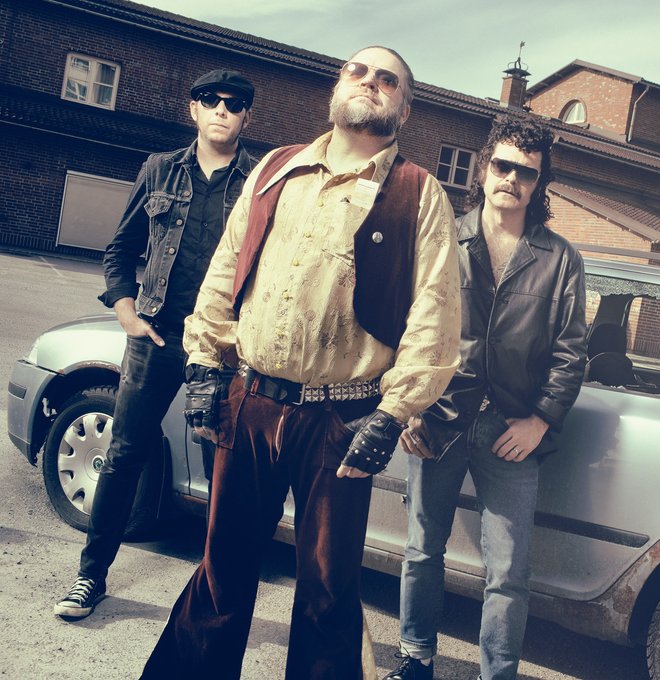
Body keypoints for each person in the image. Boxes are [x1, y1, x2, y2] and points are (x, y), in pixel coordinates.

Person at [139, 46, 461, 680]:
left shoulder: (419, 194)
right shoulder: (274, 170)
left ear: (405, 106)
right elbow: (227, 267)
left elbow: (436, 313)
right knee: (221, 571)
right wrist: (205, 365)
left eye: (388, 80)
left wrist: (393, 415)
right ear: (337, 88)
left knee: (327, 589)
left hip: (341, 421)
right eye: (359, 72)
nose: (371, 83)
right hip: (250, 402)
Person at [387, 115, 587, 680]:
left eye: (527, 172)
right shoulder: (442, 236)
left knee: (508, 573)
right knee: (423, 551)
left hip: (511, 429)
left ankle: (497, 674)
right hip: (439, 417)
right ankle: (414, 658)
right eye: (503, 166)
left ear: (538, 183)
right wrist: (407, 405)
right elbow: (404, 325)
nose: (513, 179)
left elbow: (572, 350)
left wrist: (540, 421)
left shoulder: (559, 257)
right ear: (484, 168)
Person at [53, 69, 256, 620]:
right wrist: (127, 314)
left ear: (245, 117)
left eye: (233, 104)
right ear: (193, 109)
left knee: (226, 472)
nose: (220, 109)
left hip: (219, 349)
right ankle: (89, 578)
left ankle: (217, 598)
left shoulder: (259, 184)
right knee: (122, 457)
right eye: (209, 100)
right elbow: (119, 252)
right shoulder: (160, 170)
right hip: (155, 336)